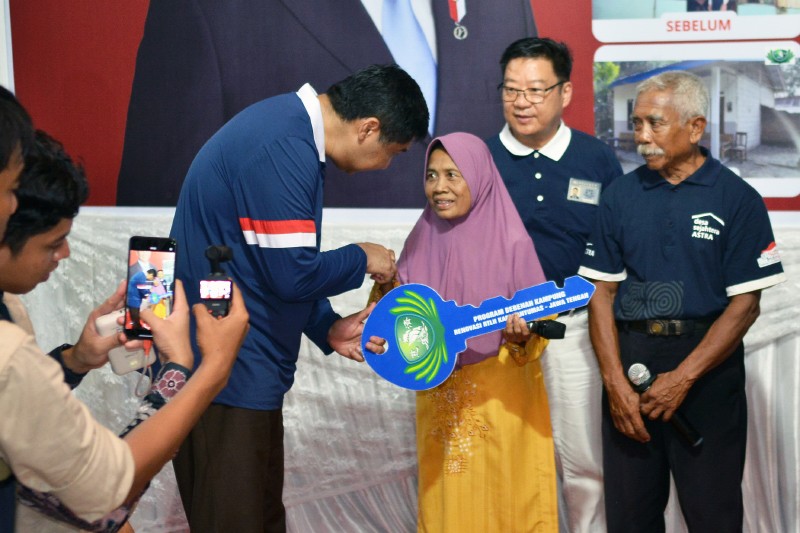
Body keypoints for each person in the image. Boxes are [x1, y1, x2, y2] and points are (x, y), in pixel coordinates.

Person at [169, 63, 428, 531]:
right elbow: (291, 274)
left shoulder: (287, 131)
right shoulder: (284, 144)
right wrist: (362, 256)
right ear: (368, 129)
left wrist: (326, 325)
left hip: (242, 370)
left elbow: (268, 265)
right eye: (392, 153)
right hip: (225, 374)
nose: (386, 166)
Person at [0, 89, 250, 531]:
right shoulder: (9, 353)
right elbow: (104, 498)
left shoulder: (10, 316)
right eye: (53, 243)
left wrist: (75, 360)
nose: (65, 254)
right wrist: (200, 368)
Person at [577, 71, 785, 532]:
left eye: (655, 123)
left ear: (695, 128)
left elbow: (746, 305)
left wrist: (684, 377)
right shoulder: (619, 197)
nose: (642, 136)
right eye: (637, 123)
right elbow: (600, 293)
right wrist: (614, 383)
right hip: (632, 371)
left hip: (707, 372)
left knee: (713, 515)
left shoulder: (737, 199)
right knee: (630, 517)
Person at [115, 0, 537, 208]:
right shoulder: (213, 10)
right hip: (294, 331)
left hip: (481, 329)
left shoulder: (503, 9)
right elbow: (160, 207)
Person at [370, 132, 557, 531]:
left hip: (503, 395)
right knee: (447, 503)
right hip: (440, 393)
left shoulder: (512, 242)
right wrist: (385, 287)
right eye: (432, 175)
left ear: (479, 177)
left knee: (508, 499)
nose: (439, 187)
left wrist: (523, 335)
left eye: (453, 175)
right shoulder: (420, 238)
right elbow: (401, 315)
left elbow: (540, 324)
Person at [485, 37, 623, 533]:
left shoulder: (596, 159)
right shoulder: (479, 159)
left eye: (536, 90)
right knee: (499, 454)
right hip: (493, 331)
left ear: (565, 92)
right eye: (511, 90)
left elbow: (617, 248)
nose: (522, 102)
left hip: (575, 330)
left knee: (583, 459)